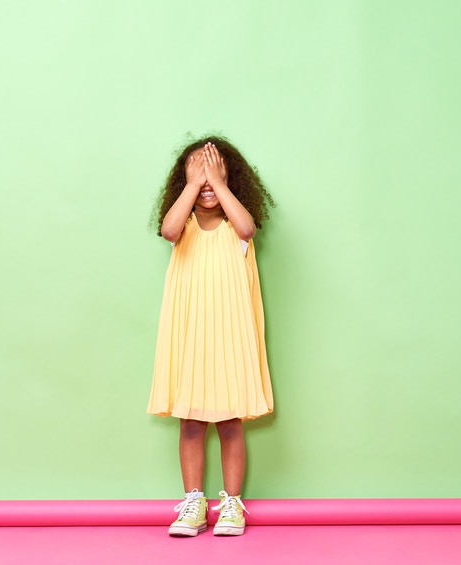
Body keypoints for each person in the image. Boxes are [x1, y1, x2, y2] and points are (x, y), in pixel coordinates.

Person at [147, 136, 275, 537]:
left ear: (228, 178)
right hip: (190, 337)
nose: (205, 183)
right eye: (196, 175)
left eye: (214, 174)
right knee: (190, 422)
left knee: (230, 422)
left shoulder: (236, 227)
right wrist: (193, 183)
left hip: (229, 336)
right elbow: (167, 230)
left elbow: (248, 226)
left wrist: (217, 182)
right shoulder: (181, 225)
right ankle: (194, 504)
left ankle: (232, 504)